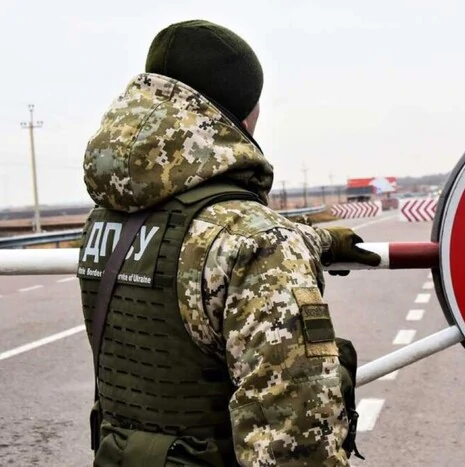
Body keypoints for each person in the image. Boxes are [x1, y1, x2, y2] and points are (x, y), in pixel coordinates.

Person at [76, 19, 381, 466]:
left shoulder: (105, 220)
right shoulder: (259, 243)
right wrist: (283, 244)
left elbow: (195, 250)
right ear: (244, 112)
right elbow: (293, 442)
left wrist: (309, 239)